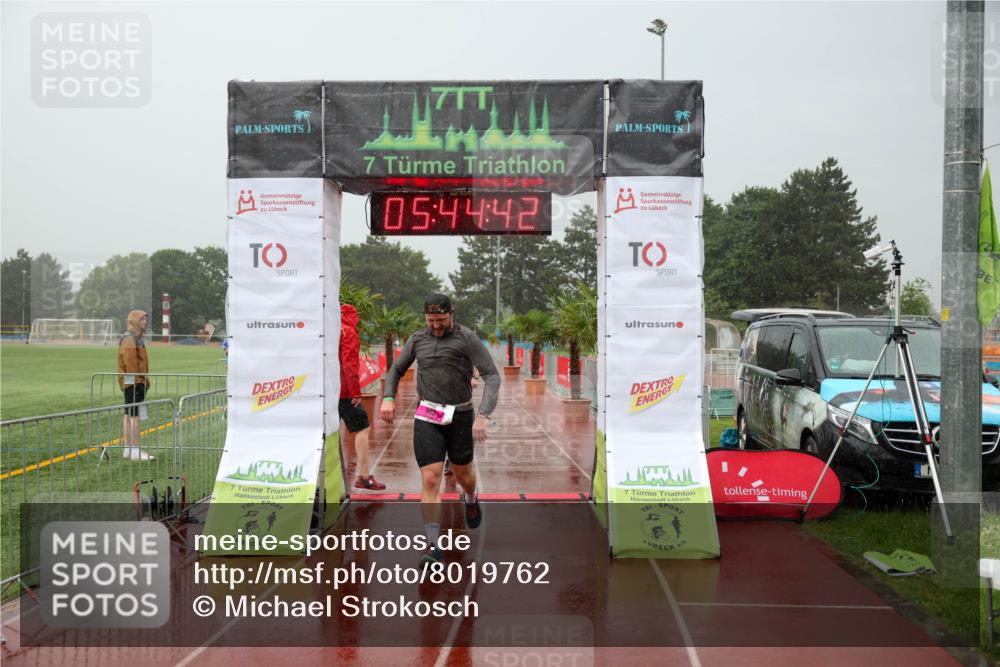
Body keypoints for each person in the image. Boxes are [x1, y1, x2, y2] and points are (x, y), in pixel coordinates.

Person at [380, 293, 500, 565]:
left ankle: (471, 498)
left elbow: (492, 375)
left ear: (451, 314)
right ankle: (433, 545)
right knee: (431, 479)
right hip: (428, 414)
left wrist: (483, 415)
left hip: (461, 415)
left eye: (441, 320)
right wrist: (388, 397)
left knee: (463, 476)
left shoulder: (466, 338)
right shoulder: (417, 339)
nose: (435, 325)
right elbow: (396, 369)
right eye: (431, 320)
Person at [340, 304, 385, 490]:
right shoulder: (348, 332)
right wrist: (355, 392)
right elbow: (348, 364)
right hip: (344, 391)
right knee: (362, 427)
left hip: (327, 389)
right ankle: (364, 476)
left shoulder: (328, 330)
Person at [118, 310, 153, 461]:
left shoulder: (135, 338)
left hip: (132, 381)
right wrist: (140, 380)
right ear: (134, 321)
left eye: (145, 319)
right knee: (134, 416)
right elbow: (130, 363)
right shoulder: (130, 339)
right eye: (141, 319)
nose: (145, 322)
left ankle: (128, 449)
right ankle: (135, 450)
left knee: (129, 414)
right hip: (134, 382)